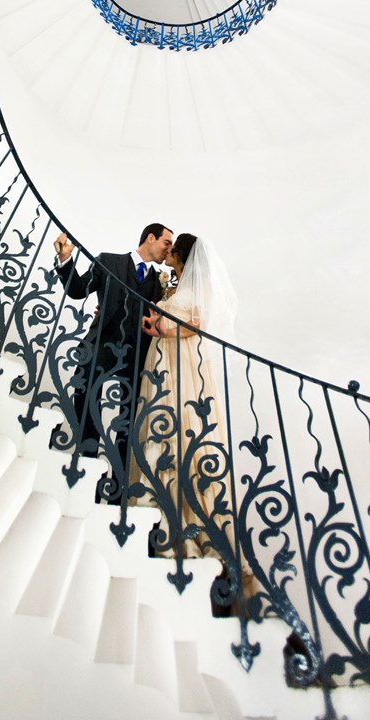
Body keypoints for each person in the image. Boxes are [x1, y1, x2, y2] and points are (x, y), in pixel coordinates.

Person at [129, 233, 239, 564]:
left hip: (182, 361)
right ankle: (154, 506)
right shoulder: (171, 287)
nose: (168, 250)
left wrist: (165, 330)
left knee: (181, 423)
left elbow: (197, 325)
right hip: (160, 357)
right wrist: (154, 324)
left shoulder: (198, 287)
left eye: (172, 247)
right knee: (158, 420)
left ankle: (190, 526)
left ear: (181, 254)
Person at [53, 223, 173, 501]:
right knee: (86, 404)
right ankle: (84, 473)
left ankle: (116, 493)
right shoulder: (108, 261)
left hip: (136, 357)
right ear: (150, 238)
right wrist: (65, 259)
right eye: (166, 243)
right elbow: (78, 290)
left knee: (128, 423)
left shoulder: (161, 284)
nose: (168, 250)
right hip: (100, 347)